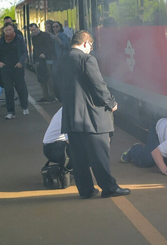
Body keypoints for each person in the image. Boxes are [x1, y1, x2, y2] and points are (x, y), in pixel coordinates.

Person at [53, 30, 129, 198]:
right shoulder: (87, 59)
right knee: (99, 155)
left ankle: (86, 190)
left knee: (79, 158)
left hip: (71, 118)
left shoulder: (60, 61)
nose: (91, 49)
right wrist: (111, 102)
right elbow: (98, 85)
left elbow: (56, 90)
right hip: (92, 119)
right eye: (91, 46)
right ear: (86, 43)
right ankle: (109, 188)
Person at [0, 23, 29, 119]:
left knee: (20, 88)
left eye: (10, 29)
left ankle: (24, 106)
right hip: (6, 69)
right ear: (3, 31)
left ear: (13, 30)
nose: (8, 32)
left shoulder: (19, 39)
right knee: (8, 90)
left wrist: (21, 62)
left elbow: (24, 51)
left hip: (17, 67)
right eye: (6, 30)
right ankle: (10, 111)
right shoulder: (1, 41)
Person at [28, 23, 55, 103]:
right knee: (41, 78)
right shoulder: (33, 38)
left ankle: (52, 96)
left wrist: (45, 54)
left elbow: (50, 46)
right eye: (32, 30)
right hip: (38, 60)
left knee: (49, 78)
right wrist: (34, 60)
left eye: (34, 30)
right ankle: (45, 96)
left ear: (38, 28)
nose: (33, 32)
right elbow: (35, 49)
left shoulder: (45, 35)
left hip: (47, 59)